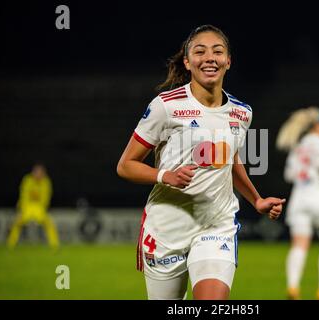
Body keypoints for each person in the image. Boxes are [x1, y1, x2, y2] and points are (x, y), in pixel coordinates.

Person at [117, 24, 285, 300]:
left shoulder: (242, 113)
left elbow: (230, 160)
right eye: (200, 51)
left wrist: (256, 200)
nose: (210, 57)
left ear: (228, 61)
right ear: (187, 61)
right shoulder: (166, 106)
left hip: (215, 224)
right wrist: (163, 176)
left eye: (218, 51)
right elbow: (125, 165)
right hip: (166, 228)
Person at [276, 107, 319, 300]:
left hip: (300, 199)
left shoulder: (300, 144)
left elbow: (288, 174)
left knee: (299, 244)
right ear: (318, 125)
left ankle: (293, 287)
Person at [7, 163, 60, 249]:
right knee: (17, 223)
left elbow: (46, 196)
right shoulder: (27, 180)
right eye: (37, 172)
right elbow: (24, 194)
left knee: (49, 224)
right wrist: (21, 208)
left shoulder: (46, 181)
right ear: (33, 172)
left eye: (40, 172)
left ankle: (54, 245)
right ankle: (11, 244)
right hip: (27, 207)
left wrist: (43, 208)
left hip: (39, 208)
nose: (38, 174)